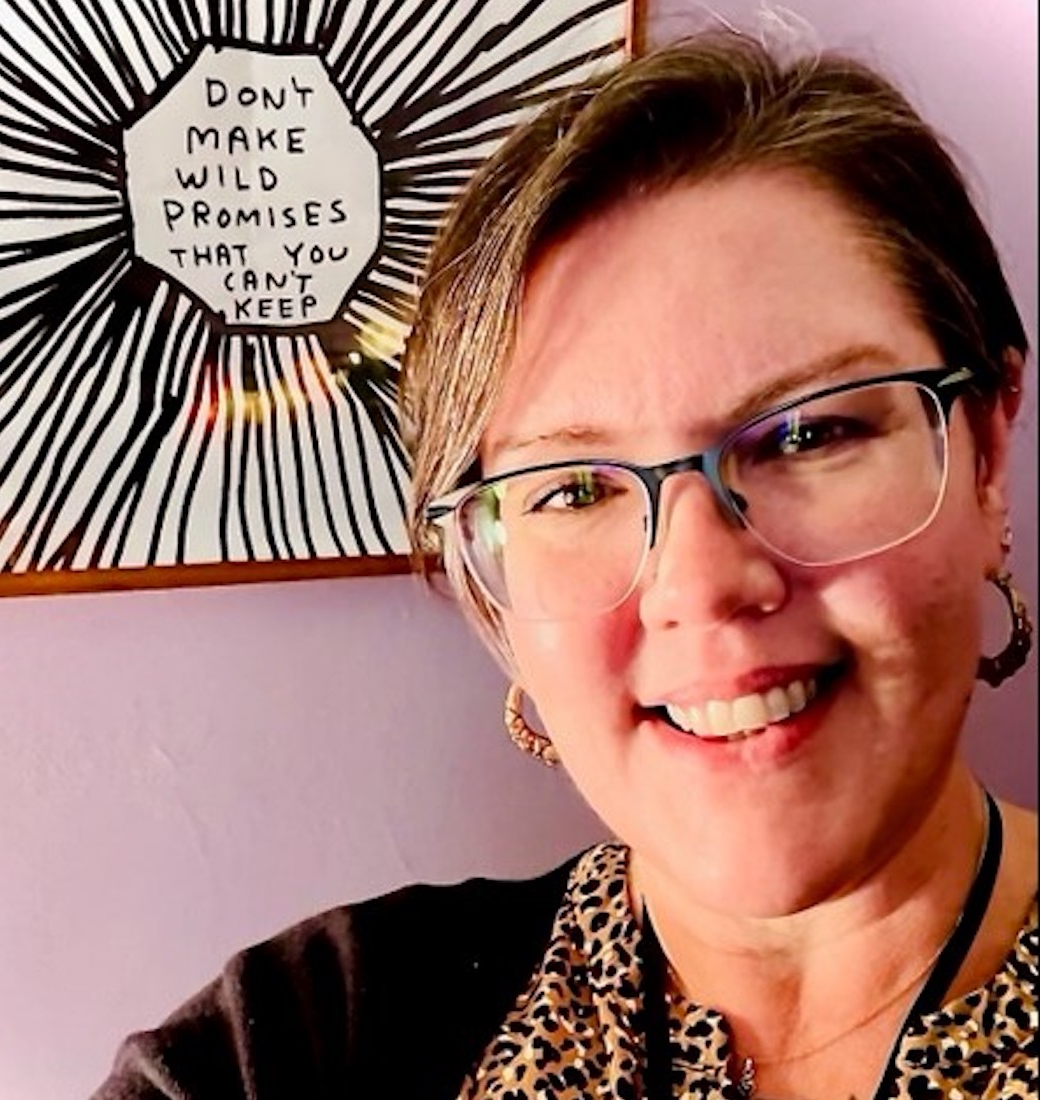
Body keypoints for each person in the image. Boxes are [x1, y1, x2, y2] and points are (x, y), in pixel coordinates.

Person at [94, 26, 1037, 1100]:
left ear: (985, 452)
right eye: (573, 488)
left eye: (805, 434)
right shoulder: (296, 1046)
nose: (702, 583)